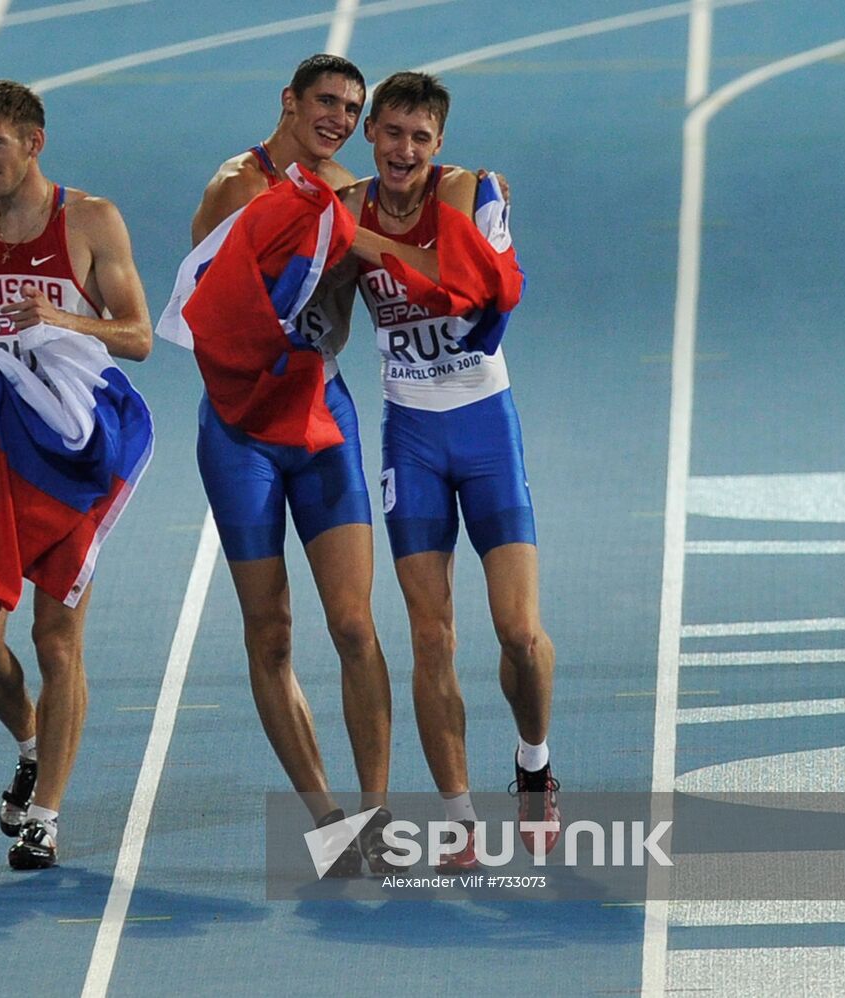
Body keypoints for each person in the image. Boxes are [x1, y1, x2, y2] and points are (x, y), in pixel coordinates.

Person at [334, 72, 559, 866]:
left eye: (419, 138)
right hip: (411, 438)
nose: (403, 151)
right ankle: (460, 820)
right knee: (431, 637)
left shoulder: (469, 191)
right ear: (372, 135)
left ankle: (534, 768)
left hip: (485, 426)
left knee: (518, 632)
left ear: (439, 144)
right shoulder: (346, 206)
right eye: (391, 133)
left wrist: (365, 242)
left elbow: (464, 285)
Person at [0, 81, 152, 870]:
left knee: (57, 641)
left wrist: (62, 317)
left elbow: (138, 336)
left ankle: (47, 816)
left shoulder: (90, 221)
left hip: (73, 450)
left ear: (35, 143)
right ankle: (29, 741)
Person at [187, 54, 394, 875]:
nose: (339, 119)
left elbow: (411, 227)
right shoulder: (235, 188)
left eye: (352, 108)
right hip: (242, 430)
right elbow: (199, 308)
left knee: (353, 624)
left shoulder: (352, 191)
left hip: (322, 413)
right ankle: (328, 819)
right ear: (289, 102)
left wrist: (480, 199)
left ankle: (378, 817)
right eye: (327, 103)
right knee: (270, 630)